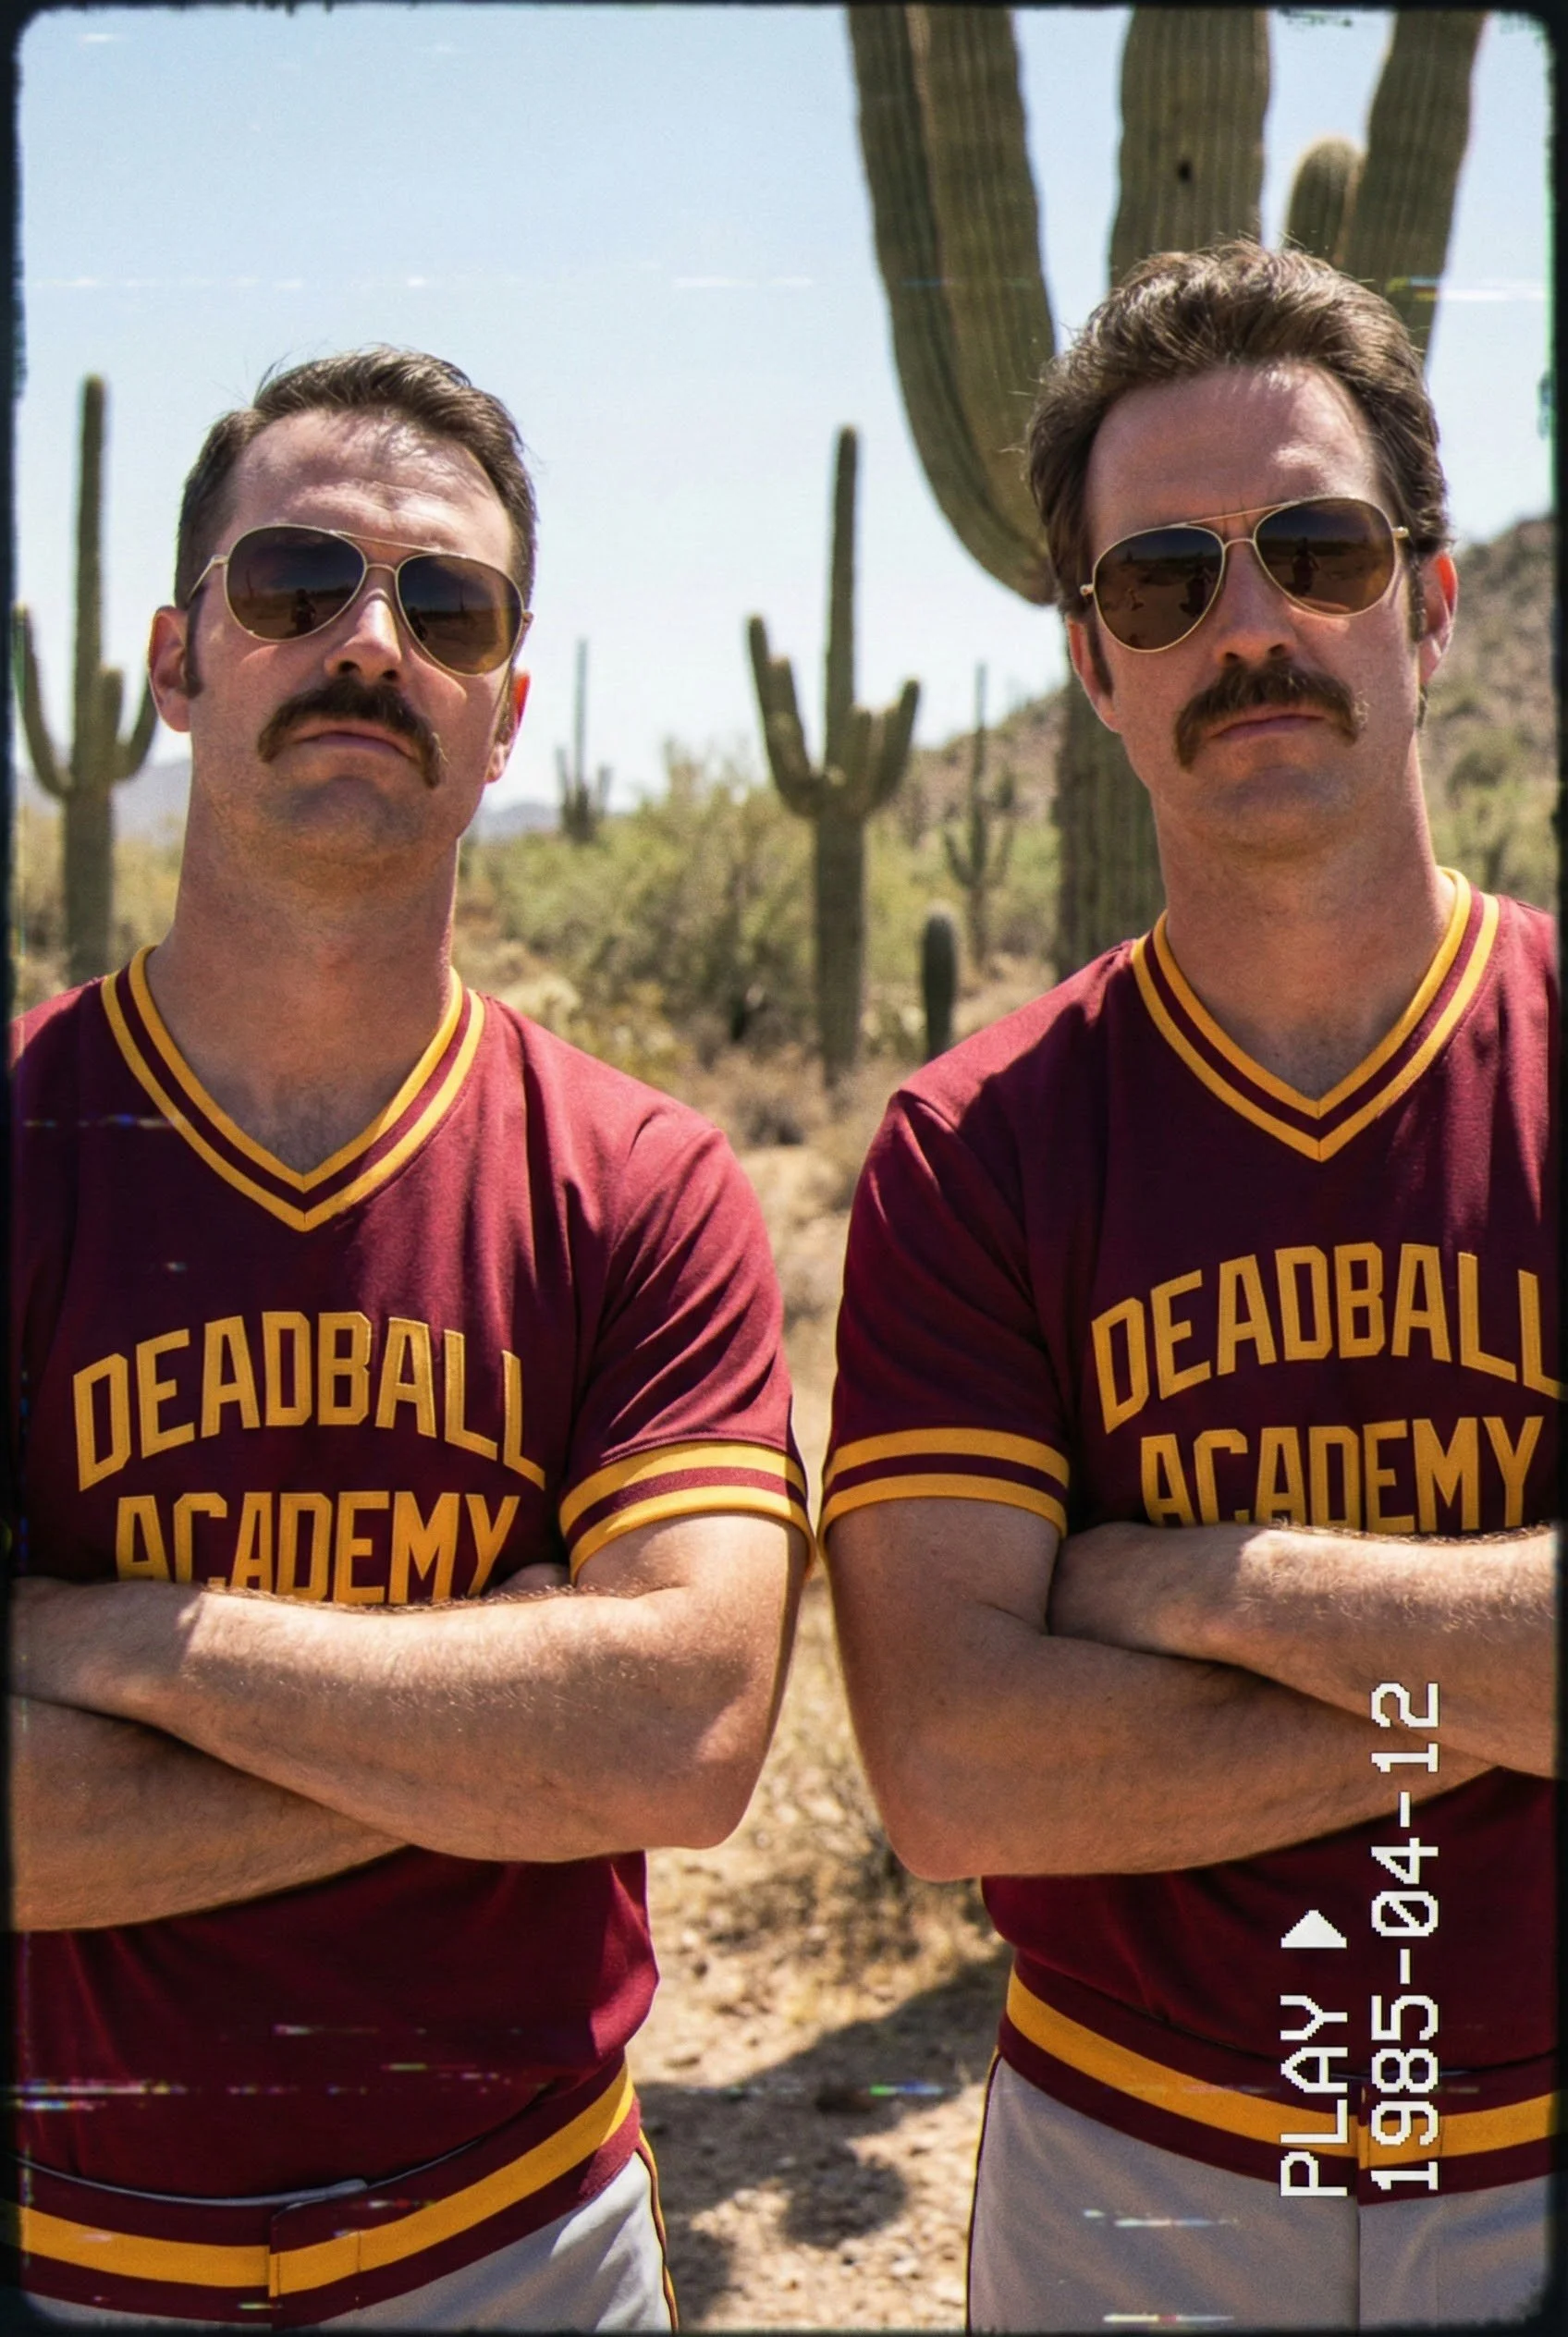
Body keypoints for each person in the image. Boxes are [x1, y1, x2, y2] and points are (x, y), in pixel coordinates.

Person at [8, 346, 810, 2330]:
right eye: (296, 582)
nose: (370, 642)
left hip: (520, 2242)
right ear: (177, 661)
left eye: (444, 607)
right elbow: (610, 1733)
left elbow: (687, 1736)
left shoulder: (638, 1182)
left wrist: (115, 1647)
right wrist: (507, 1741)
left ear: (506, 711)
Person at [824, 243, 1556, 2331]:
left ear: (1427, 600)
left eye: (1315, 552)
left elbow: (1040, 1713)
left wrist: (1183, 1584)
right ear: (1092, 664)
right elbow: (951, 1770)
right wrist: (1496, 1688)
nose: (1248, 629)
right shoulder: (974, 1148)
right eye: (1162, 582)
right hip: (1128, 2178)